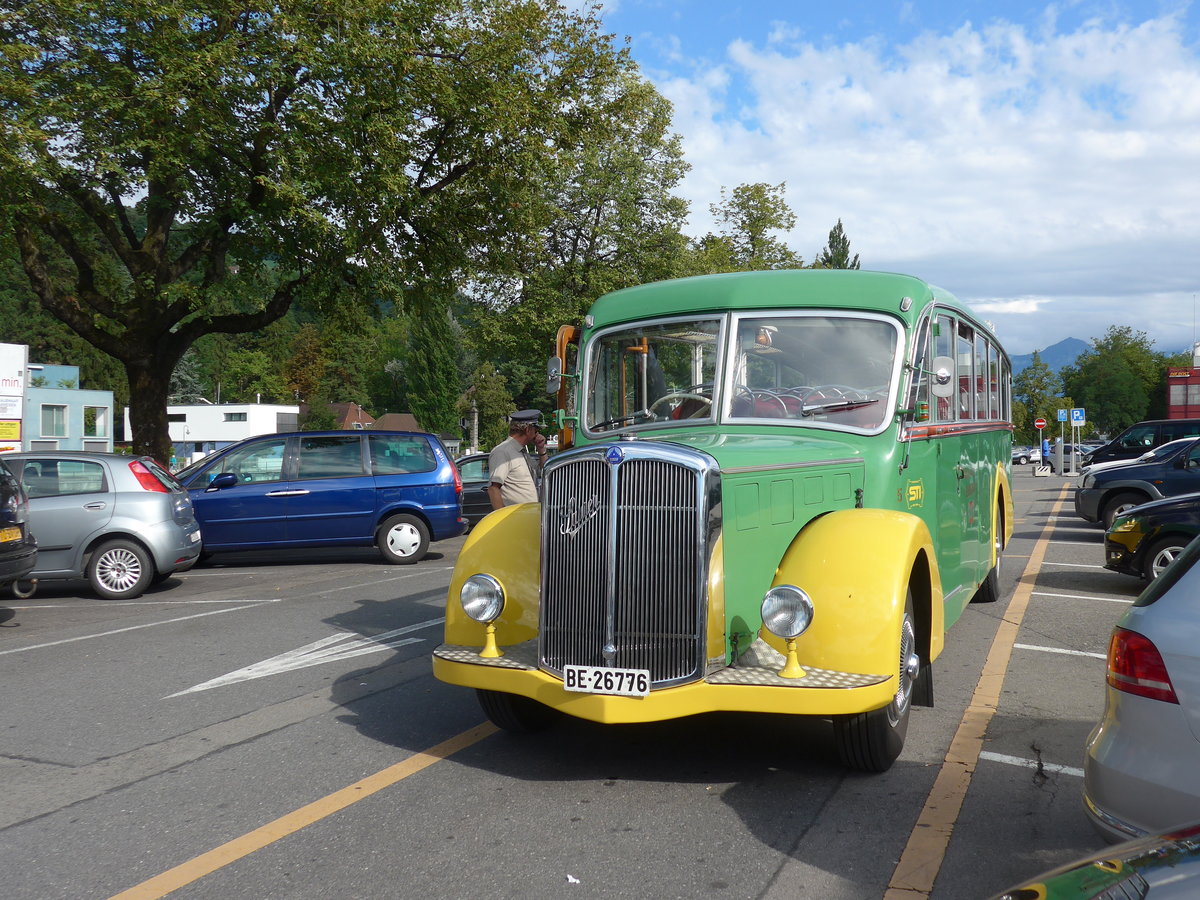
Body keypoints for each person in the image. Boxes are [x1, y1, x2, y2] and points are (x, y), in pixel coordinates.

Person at [487, 409, 548, 510]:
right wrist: (503, 517)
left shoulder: (521, 451)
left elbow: (542, 471)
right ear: (527, 430)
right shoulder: (503, 451)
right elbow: (493, 489)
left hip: (529, 514)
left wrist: (541, 449)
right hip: (516, 515)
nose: (537, 434)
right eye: (536, 430)